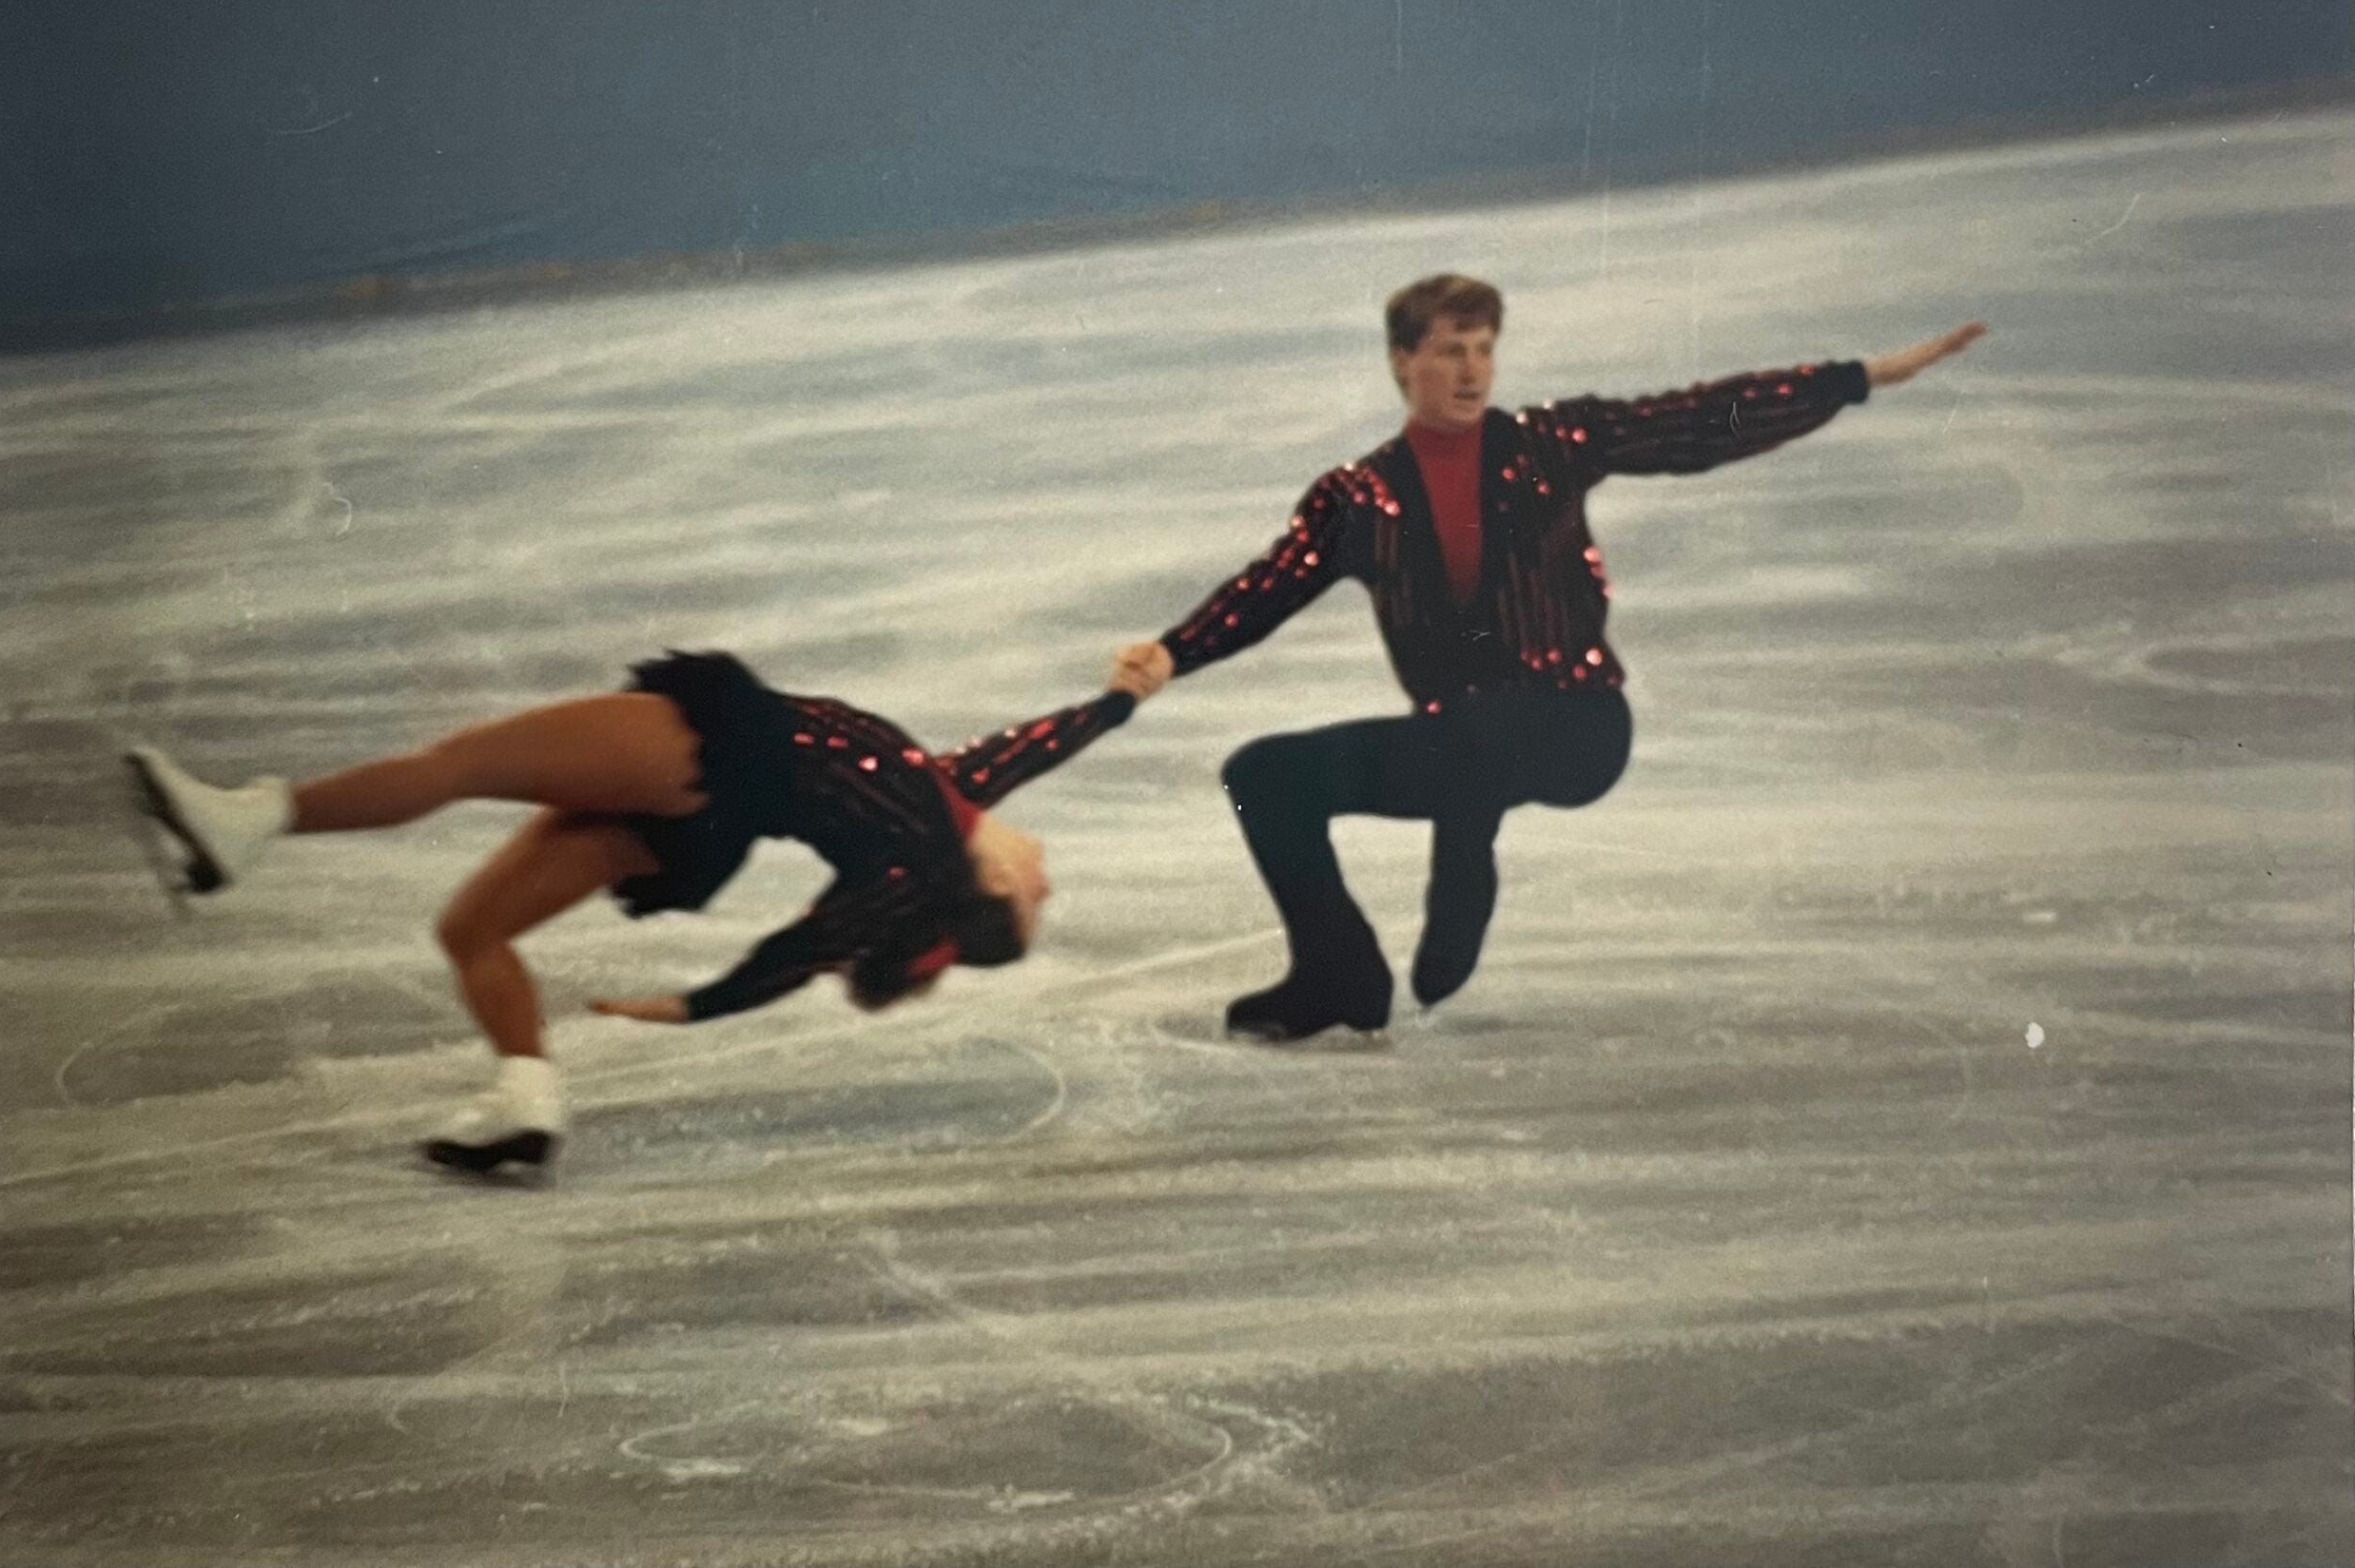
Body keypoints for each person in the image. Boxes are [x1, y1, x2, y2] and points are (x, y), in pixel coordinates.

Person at [1113, 274, 1985, 1042]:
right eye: (1452, 350)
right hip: (1465, 743)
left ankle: (1466, 856)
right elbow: (1270, 587)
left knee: (1481, 730)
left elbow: (1693, 423)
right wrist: (1172, 652)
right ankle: (1337, 970)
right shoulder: (1357, 498)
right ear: (1400, 362)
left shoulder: (1551, 442)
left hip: (1578, 727)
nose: (1473, 372)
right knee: (1262, 775)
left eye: (1485, 350)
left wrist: (1856, 378)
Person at [127, 647, 1168, 1173]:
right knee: (471, 931)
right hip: (701, 824)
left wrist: (689, 1006)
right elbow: (1039, 744)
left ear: (986, 887)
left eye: (1034, 898)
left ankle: (249, 821)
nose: (1046, 877)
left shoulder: (928, 837)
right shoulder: (938, 814)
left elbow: (789, 953)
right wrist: (1123, 697)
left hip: (710, 756)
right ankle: (526, 1095)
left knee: (458, 767)